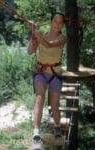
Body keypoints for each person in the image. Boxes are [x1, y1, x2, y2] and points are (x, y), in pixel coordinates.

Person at [28, 12, 66, 149]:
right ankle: (36, 134)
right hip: (41, 72)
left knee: (55, 105)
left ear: (62, 25)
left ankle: (56, 126)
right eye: (55, 21)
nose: (57, 24)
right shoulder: (41, 34)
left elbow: (49, 45)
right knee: (39, 97)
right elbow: (30, 52)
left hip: (55, 74)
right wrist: (33, 36)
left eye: (60, 22)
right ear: (51, 22)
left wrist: (35, 31)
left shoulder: (62, 38)